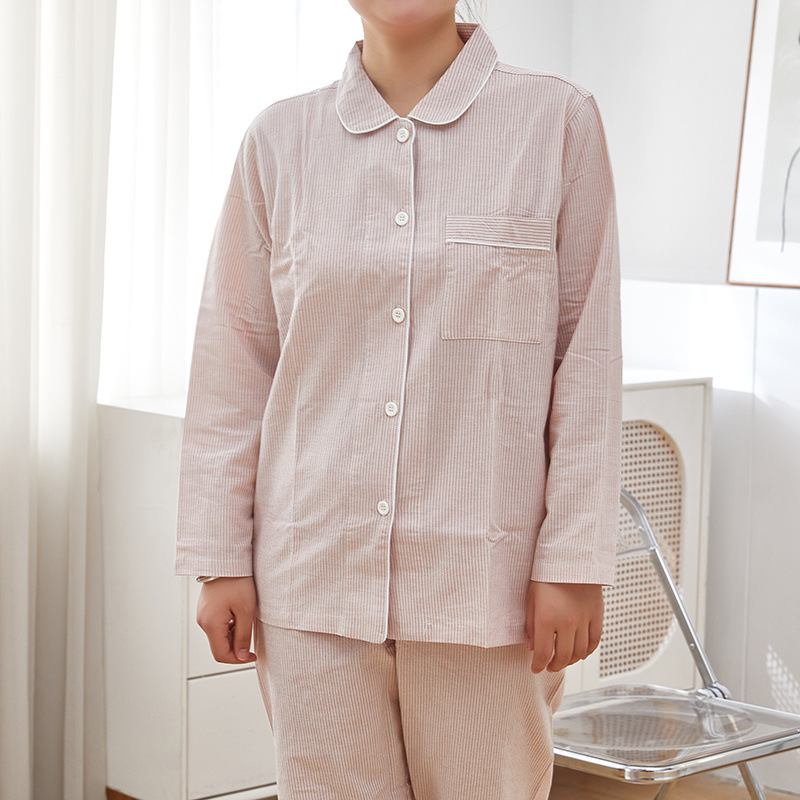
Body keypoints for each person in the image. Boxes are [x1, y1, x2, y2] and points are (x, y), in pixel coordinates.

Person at [175, 1, 623, 798]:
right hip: (312, 576)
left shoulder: (557, 122)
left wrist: (573, 560)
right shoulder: (277, 141)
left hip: (487, 584)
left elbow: (587, 360)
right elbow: (233, 363)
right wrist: (220, 560)